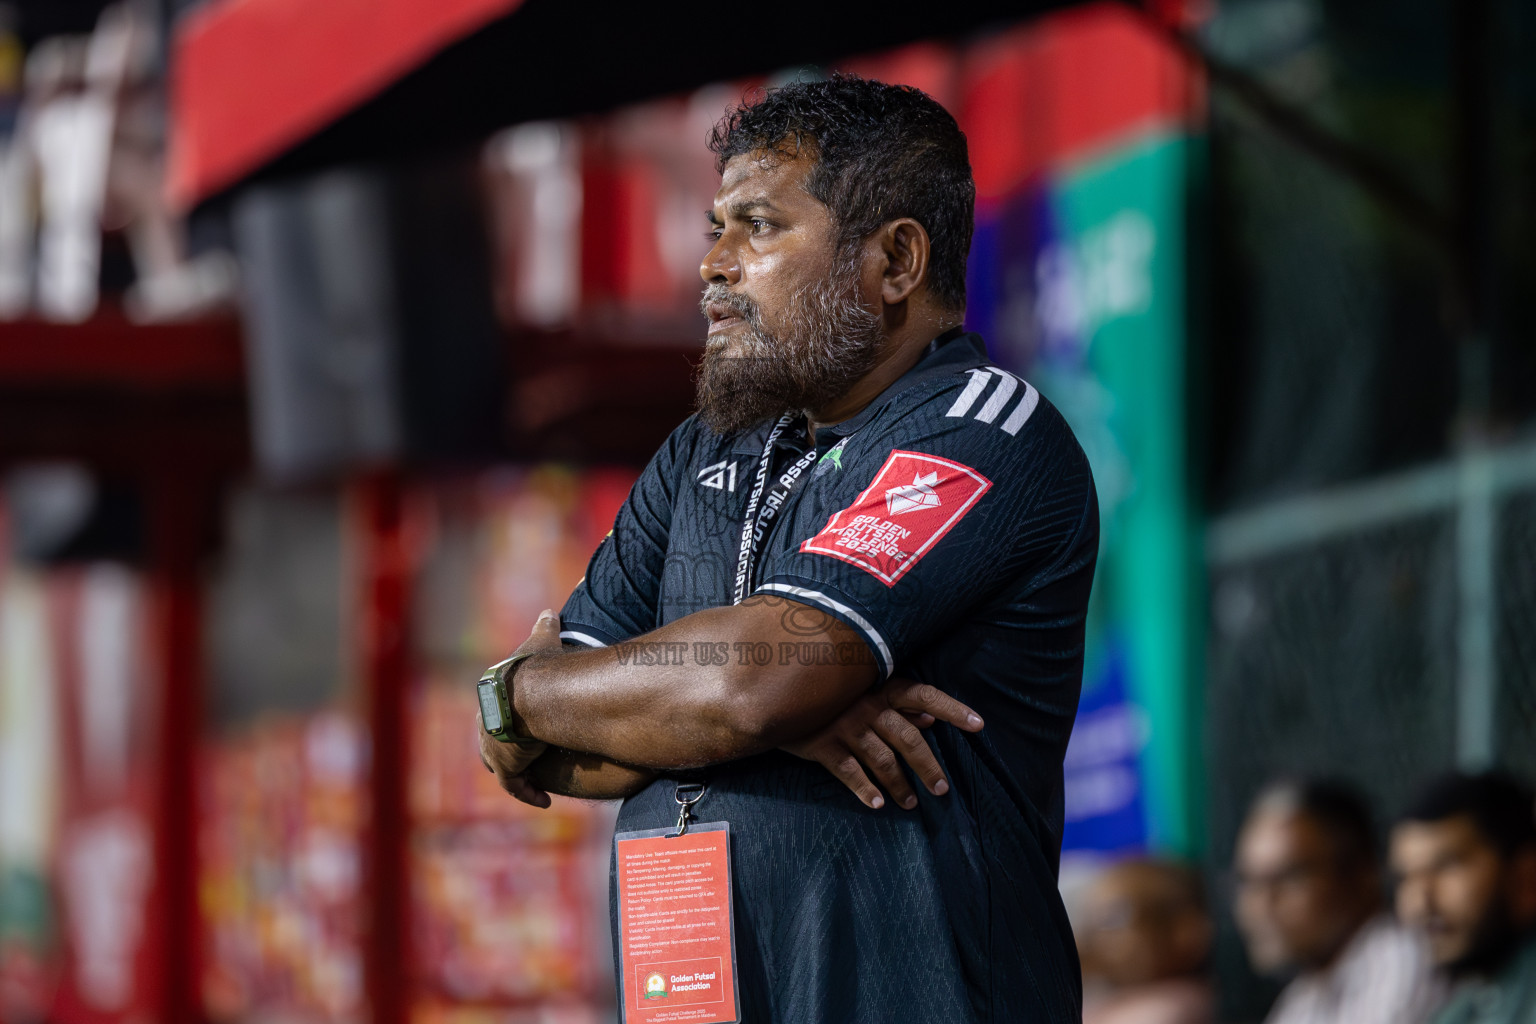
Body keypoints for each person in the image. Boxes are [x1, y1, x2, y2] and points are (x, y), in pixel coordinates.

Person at [476, 75, 1099, 1022]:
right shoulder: (700, 452)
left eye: (759, 227)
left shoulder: (978, 426)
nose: (713, 266)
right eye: (714, 228)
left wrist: (559, 693)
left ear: (894, 261)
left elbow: (750, 685)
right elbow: (548, 758)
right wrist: (526, 701)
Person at [1233, 779, 1443, 1024]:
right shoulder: (1302, 999)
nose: (1261, 904)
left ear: (1362, 877)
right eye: (1249, 882)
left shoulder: (1401, 962)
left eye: (1290, 877)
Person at [1391, 771, 1536, 1024]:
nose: (1420, 903)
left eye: (1447, 866)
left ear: (1526, 876)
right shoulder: (1463, 1009)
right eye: (1406, 878)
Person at [1078, 858, 1215, 1024]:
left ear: (1184, 932)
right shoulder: (1109, 996)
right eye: (1092, 920)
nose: (1094, 936)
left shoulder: (1173, 1007)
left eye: (1114, 919)